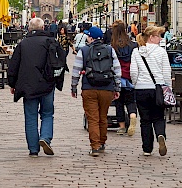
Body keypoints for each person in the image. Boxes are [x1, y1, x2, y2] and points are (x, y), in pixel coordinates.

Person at [8, 17, 65, 157]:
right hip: (47, 83)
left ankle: (33, 149)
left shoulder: (23, 44)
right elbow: (61, 60)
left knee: (31, 116)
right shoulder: (51, 41)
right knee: (47, 114)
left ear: (29, 29)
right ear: (43, 28)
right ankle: (45, 138)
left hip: (28, 85)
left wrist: (12, 83)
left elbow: (13, 65)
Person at [71, 26, 121, 157]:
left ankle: (95, 146)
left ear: (91, 38)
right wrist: (117, 87)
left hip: (89, 88)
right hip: (107, 87)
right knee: (103, 117)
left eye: (88, 36)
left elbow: (76, 70)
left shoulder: (84, 50)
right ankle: (102, 143)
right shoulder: (110, 50)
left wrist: (74, 86)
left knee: (93, 118)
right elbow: (116, 70)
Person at [130, 26, 171, 157]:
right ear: (151, 37)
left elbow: (133, 72)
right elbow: (166, 72)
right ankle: (160, 134)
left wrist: (136, 83)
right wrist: (168, 88)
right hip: (157, 89)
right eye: (158, 36)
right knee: (158, 116)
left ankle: (147, 148)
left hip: (141, 89)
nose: (160, 39)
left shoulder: (136, 51)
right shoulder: (161, 52)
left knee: (145, 120)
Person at [110, 20, 138, 137]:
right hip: (130, 76)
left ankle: (121, 126)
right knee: (131, 101)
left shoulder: (112, 46)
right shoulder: (133, 45)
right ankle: (132, 116)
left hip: (118, 77)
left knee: (119, 102)